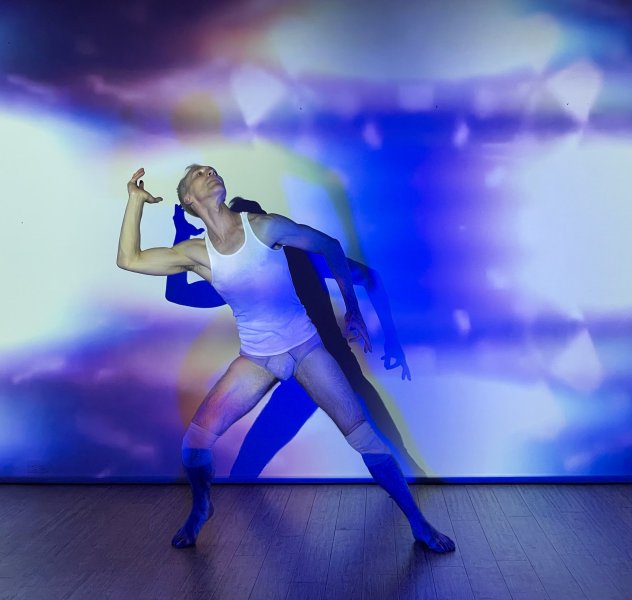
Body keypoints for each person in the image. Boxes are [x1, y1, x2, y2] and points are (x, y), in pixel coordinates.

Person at [116, 165, 455, 553]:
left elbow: (329, 245)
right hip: (257, 360)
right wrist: (135, 201)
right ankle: (202, 507)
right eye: (197, 173)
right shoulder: (195, 254)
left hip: (307, 348)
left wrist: (354, 310)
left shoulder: (265, 227)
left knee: (363, 436)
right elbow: (129, 259)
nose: (208, 171)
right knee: (194, 443)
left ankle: (418, 523)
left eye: (211, 169)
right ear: (188, 200)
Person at [165, 200, 427, 479]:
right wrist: (391, 340)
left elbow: (368, 276)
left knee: (399, 455)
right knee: (246, 468)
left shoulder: (295, 258)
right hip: (303, 375)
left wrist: (387, 336)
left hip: (331, 368)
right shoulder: (247, 274)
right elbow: (178, 295)